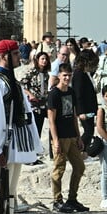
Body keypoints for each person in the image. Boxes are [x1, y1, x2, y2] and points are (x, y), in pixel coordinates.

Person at [0, 39, 42, 214]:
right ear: (4, 56)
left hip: (16, 142)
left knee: (10, 191)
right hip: (5, 144)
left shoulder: (11, 81)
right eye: (15, 53)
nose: (19, 56)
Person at [47, 63, 88, 213]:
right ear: (58, 76)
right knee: (59, 169)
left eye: (69, 75)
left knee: (79, 166)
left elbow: (74, 116)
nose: (67, 78)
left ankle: (72, 199)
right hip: (60, 137)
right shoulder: (54, 94)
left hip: (72, 136)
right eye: (64, 75)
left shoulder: (70, 92)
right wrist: (55, 140)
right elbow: (51, 119)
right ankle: (57, 200)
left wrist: (79, 136)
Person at [71, 49, 99, 153]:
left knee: (90, 130)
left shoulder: (85, 73)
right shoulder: (79, 74)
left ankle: (83, 151)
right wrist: (80, 111)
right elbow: (78, 94)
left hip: (89, 108)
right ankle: (78, 151)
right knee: (88, 131)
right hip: (84, 109)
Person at [20, 51, 51, 140]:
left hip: (43, 103)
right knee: (34, 126)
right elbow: (21, 84)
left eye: (46, 59)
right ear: (37, 60)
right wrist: (30, 94)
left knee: (41, 126)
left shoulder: (45, 74)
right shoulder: (32, 72)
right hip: (33, 104)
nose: (44, 61)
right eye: (42, 59)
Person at [95, 85, 107, 209]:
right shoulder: (102, 110)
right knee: (105, 171)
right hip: (105, 143)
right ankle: (104, 197)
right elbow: (99, 127)